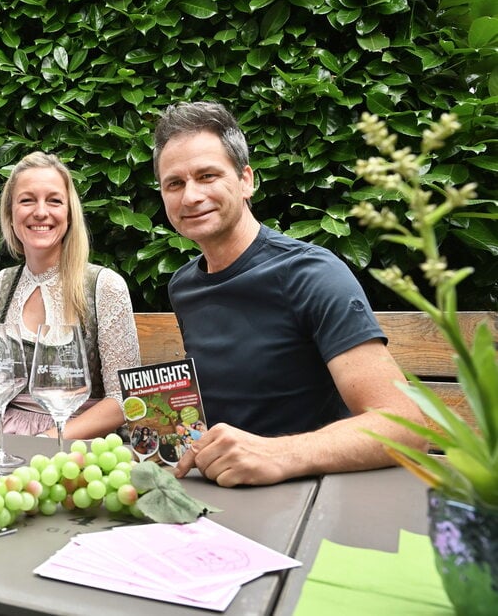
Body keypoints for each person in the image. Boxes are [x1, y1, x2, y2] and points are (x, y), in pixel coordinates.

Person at [151, 101, 427, 488]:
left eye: (207, 175)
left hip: (310, 498)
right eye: (174, 183)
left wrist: (278, 454)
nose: (190, 196)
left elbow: (406, 424)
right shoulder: (183, 286)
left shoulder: (312, 274)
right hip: (217, 492)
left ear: (246, 180)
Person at [0, 151, 140, 438]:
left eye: (54, 200)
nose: (40, 212)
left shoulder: (104, 286)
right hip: (5, 441)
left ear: (69, 214)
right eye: (27, 200)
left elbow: (123, 400)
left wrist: (48, 440)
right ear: (10, 213)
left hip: (80, 443)